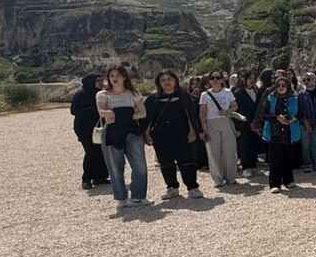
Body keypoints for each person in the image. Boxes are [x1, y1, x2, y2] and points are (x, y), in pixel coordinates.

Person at [142, 70, 204, 200]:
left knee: (186, 162)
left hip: (182, 134)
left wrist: (193, 132)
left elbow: (190, 115)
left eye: (169, 79)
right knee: (166, 163)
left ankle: (192, 188)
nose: (167, 82)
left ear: (175, 80)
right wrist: (146, 134)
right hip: (161, 136)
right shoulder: (153, 99)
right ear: (159, 83)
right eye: (163, 80)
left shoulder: (184, 96)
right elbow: (148, 119)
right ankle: (172, 188)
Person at [97, 65, 150, 209]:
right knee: (115, 167)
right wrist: (108, 113)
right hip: (112, 132)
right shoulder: (102, 94)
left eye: (118, 75)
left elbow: (143, 113)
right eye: (112, 75)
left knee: (140, 165)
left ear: (124, 77)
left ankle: (138, 196)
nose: (115, 78)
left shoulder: (134, 93)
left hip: (132, 132)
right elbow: (101, 111)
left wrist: (126, 116)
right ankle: (121, 198)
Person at [252, 76, 302, 192]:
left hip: (289, 132)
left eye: (283, 85)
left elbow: (300, 113)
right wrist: (276, 117)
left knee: (288, 157)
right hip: (274, 132)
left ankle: (288, 180)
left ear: (288, 86)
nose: (281, 87)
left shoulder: (294, 98)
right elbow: (264, 115)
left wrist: (292, 118)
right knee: (275, 159)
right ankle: (275, 184)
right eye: (278, 85)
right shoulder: (270, 98)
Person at [200, 72, 239, 187]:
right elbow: (202, 112)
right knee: (214, 152)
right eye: (212, 78)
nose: (215, 80)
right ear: (209, 80)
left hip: (226, 121)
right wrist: (203, 128)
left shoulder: (228, 92)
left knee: (230, 151)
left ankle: (231, 177)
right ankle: (218, 179)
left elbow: (235, 106)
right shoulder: (205, 95)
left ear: (222, 80)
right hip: (211, 123)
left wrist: (227, 111)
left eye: (218, 77)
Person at [70, 73, 109, 190]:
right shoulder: (80, 94)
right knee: (91, 152)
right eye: (98, 81)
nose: (101, 83)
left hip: (99, 127)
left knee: (101, 151)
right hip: (84, 128)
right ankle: (86, 179)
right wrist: (93, 109)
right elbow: (73, 110)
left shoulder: (101, 94)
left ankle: (100, 177)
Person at [233, 72, 264, 177]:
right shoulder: (238, 93)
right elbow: (237, 111)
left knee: (254, 145)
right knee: (245, 146)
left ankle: (253, 166)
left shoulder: (256, 90)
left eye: (253, 78)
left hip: (255, 123)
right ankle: (246, 167)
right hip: (244, 124)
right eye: (249, 78)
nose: (252, 80)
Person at [298, 73, 316, 172]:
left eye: (308, 79)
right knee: (305, 145)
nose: (306, 82)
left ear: (314, 80)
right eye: (304, 80)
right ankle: (307, 164)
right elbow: (300, 111)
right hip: (304, 124)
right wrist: (306, 123)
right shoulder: (301, 95)